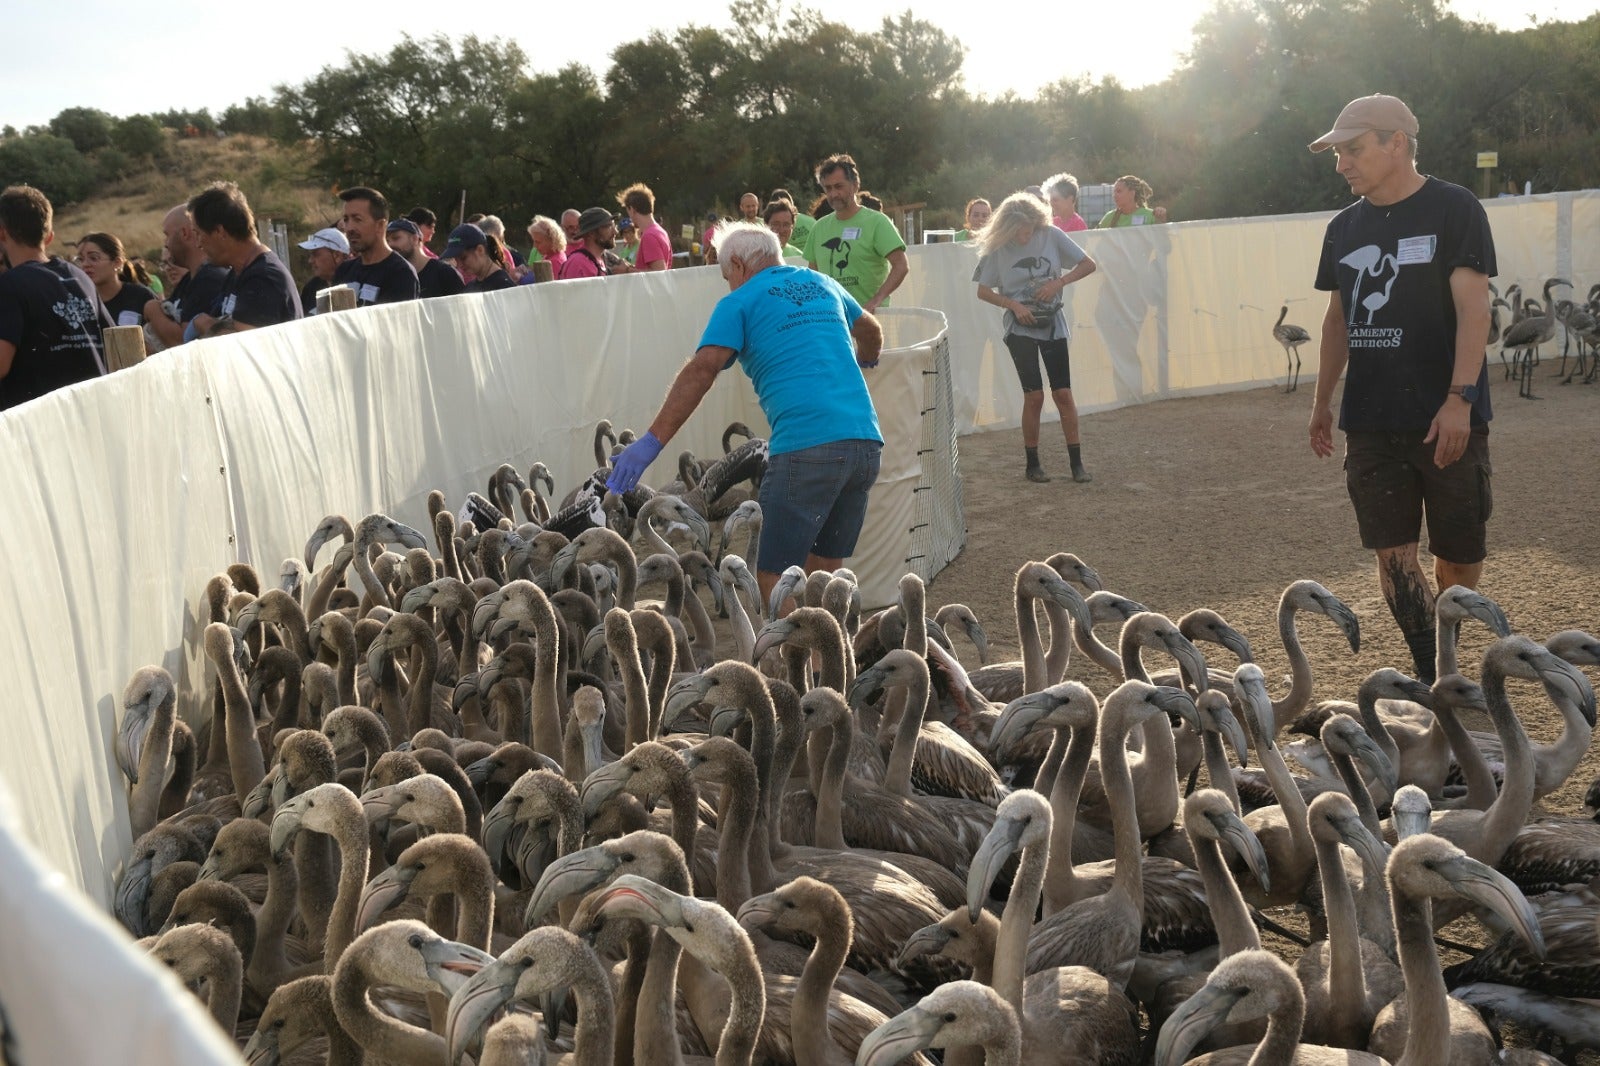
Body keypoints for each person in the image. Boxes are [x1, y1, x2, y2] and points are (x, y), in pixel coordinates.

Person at [1306, 93, 1496, 684]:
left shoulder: (1454, 209)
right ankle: (1433, 670)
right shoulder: (1342, 228)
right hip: (1370, 420)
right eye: (1337, 152)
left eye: (1353, 149)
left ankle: (1448, 639)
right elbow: (1337, 320)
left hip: (1447, 414)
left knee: (1459, 557)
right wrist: (1321, 402)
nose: (1342, 163)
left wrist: (1460, 398)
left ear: (1396, 143)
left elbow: (1474, 309)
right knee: (1393, 553)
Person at [606, 221, 883, 607]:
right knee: (825, 572)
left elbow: (703, 369)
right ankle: (831, 662)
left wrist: (651, 442)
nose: (728, 285)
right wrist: (864, 360)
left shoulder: (739, 301)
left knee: (774, 575)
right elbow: (871, 330)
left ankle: (806, 667)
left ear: (737, 264)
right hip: (864, 443)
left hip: (806, 447)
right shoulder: (822, 284)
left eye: (726, 277)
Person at [975, 191, 1097, 484]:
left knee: (1063, 394)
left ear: (1036, 223)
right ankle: (1033, 464)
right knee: (1034, 396)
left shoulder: (1052, 234)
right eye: (1017, 231)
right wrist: (1014, 305)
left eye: (1028, 230)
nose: (1023, 237)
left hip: (1052, 323)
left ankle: (1076, 463)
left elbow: (1088, 264)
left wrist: (1059, 283)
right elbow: (983, 290)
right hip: (1019, 329)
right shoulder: (999, 247)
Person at [0, 185, 106, 410]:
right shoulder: (80, 277)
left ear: (2, 233)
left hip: (41, 427)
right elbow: (114, 341)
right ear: (49, 237)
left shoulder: (9, 286)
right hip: (94, 414)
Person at [187, 182, 301, 336]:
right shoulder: (237, 274)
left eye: (199, 234)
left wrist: (203, 323)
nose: (198, 243)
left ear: (220, 231)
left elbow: (242, 346)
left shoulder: (263, 279)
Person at [804, 153, 907, 313]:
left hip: (872, 319)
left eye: (839, 186)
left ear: (855, 185)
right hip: (834, 320)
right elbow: (813, 276)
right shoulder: (819, 228)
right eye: (828, 188)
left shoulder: (877, 222)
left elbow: (901, 265)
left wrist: (877, 300)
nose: (833, 194)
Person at [143, 203, 229, 348]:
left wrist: (152, 310)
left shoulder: (210, 278)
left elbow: (183, 343)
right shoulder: (190, 280)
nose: (166, 244)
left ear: (184, 234)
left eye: (167, 235)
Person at [332, 187, 419, 306]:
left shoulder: (400, 273)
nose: (349, 228)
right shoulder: (344, 271)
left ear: (380, 225)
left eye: (357, 219)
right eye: (346, 220)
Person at [75, 232, 158, 329]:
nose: (85, 264)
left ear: (117, 263)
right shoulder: (77, 301)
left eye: (94, 258)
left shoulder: (141, 297)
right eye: (80, 259)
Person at [388, 218, 464, 299]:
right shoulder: (394, 276)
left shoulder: (444, 273)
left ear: (415, 239)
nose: (390, 244)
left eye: (396, 238)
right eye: (387, 240)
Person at [440, 223, 515, 292]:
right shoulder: (469, 288)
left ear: (480, 250)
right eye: (456, 260)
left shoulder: (504, 287)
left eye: (463, 258)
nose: (459, 265)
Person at [616, 183, 672, 272]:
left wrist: (627, 270)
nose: (629, 217)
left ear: (632, 209)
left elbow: (658, 273)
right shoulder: (660, 231)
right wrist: (632, 267)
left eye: (628, 212)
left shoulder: (649, 236)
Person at [296, 227, 350, 315]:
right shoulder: (310, 289)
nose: (310, 261)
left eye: (316, 254)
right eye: (310, 255)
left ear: (337, 255)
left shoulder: (353, 283)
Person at [559, 208, 618, 280]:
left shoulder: (602, 259)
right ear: (591, 233)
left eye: (614, 226)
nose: (615, 232)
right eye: (608, 226)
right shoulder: (579, 263)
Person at [523, 216, 567, 280]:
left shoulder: (555, 262)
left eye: (538, 242)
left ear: (552, 240)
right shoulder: (549, 256)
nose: (534, 246)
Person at [771, 187, 814, 253]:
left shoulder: (765, 226)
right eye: (776, 224)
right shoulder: (812, 222)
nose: (781, 229)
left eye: (786, 224)